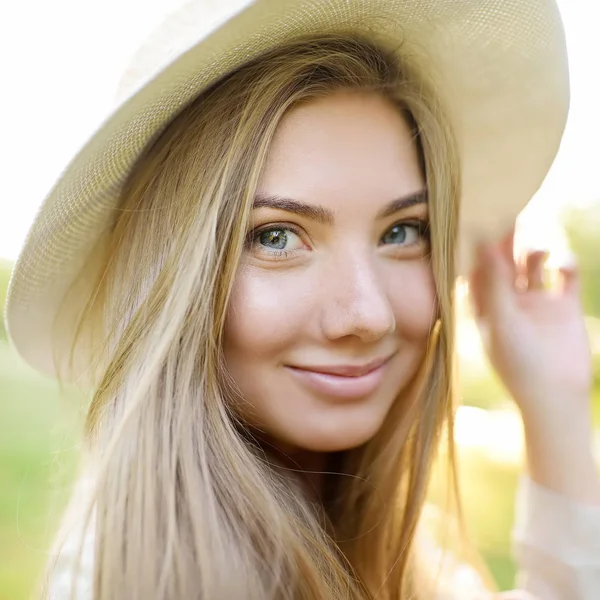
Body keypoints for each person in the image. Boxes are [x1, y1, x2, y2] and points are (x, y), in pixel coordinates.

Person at [5, 1, 600, 599]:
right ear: (174, 280)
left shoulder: (396, 558)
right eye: (277, 237)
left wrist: (555, 403)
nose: (368, 315)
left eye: (401, 232)